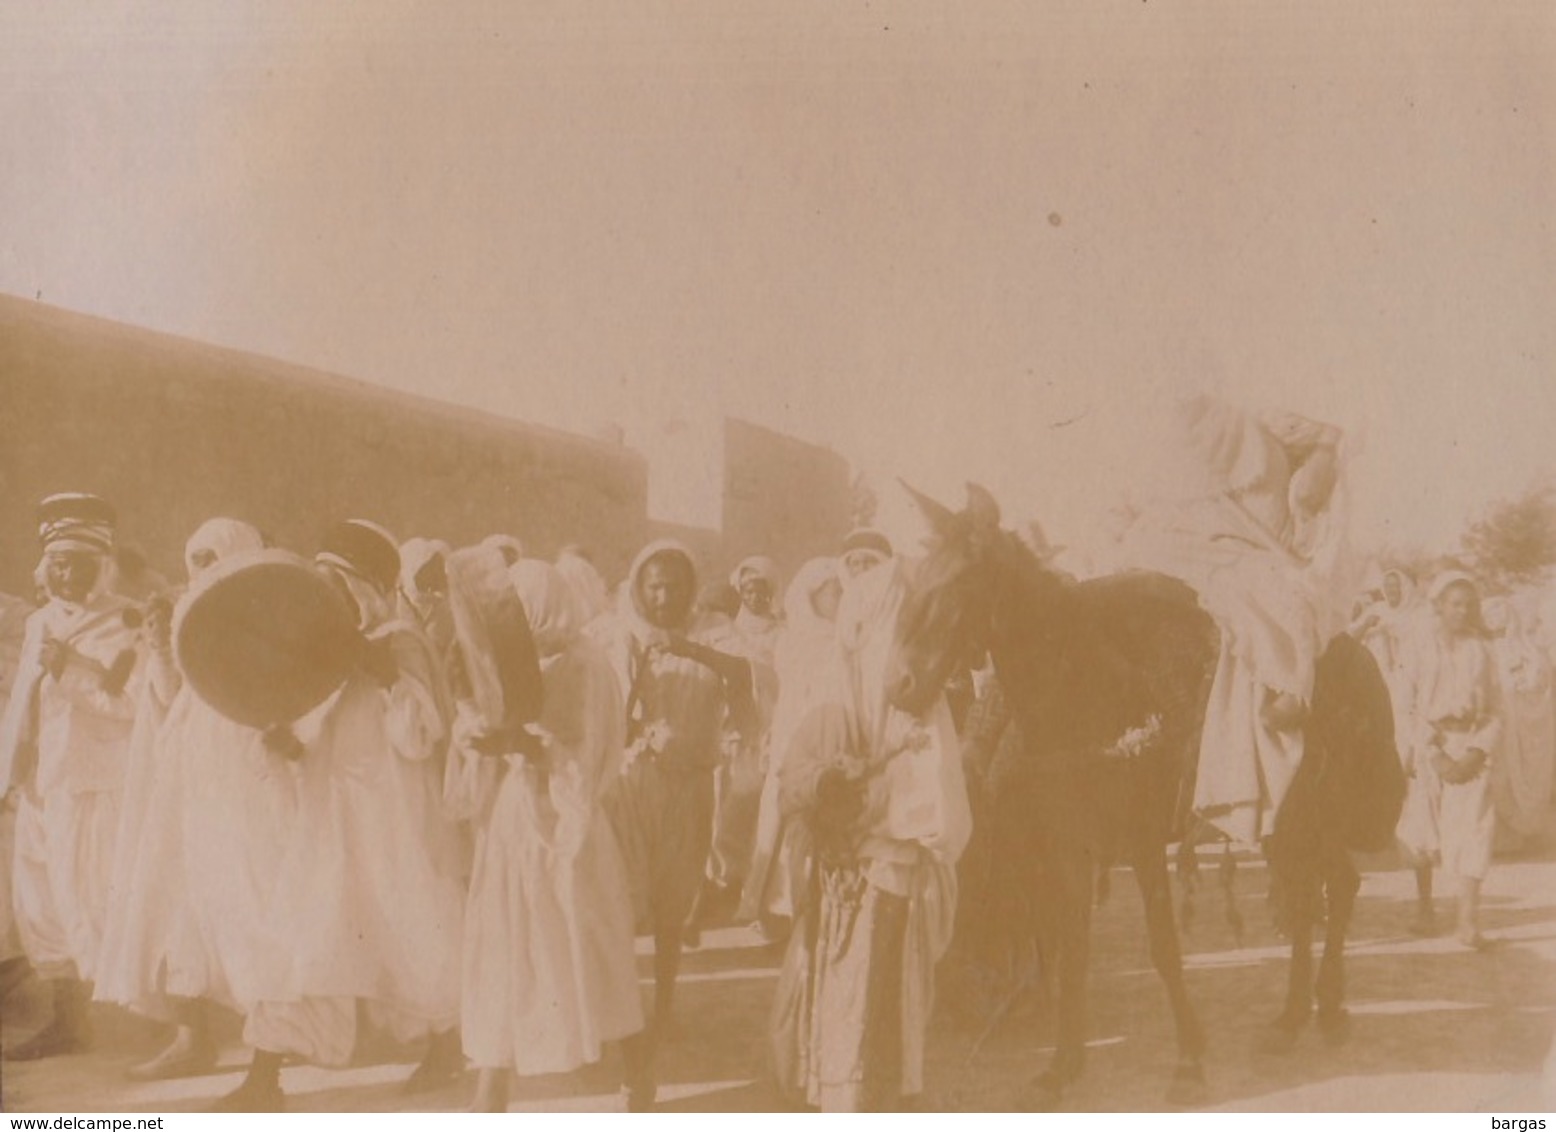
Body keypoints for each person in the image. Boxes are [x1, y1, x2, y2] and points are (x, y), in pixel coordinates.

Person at [217, 519, 464, 1111]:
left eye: (335, 585)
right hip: (331, 817)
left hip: (393, 819)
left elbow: (422, 736)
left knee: (411, 933)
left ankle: (448, 1044)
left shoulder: (400, 640)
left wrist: (382, 675)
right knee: (298, 932)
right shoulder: (324, 649)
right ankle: (264, 1076)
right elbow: (316, 739)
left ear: (361, 587)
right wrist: (288, 748)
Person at [770, 554, 971, 1112]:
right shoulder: (834, 686)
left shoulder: (915, 697)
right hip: (848, 866)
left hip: (892, 865)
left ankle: (869, 1095)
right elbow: (797, 773)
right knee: (845, 988)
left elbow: (936, 803)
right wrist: (835, 800)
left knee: (874, 992)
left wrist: (878, 825)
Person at [449, 560, 650, 1112]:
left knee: (592, 950)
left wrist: (514, 744)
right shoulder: (534, 660)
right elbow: (505, 727)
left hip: (570, 829)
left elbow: (578, 758)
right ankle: (491, 1088)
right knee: (508, 944)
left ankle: (638, 1069)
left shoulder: (583, 665)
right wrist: (476, 722)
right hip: (519, 822)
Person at [95, 518, 283, 1081]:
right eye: (195, 559)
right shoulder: (183, 615)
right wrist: (160, 651)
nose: (201, 570)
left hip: (246, 778)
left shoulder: (266, 618)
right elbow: (169, 698)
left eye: (213, 558)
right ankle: (191, 1037)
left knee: (252, 905)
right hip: (189, 776)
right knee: (178, 902)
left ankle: (270, 1046)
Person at [1119, 395, 1351, 847]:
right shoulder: (1175, 431)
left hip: (1259, 548)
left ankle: (1289, 690)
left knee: (1268, 598)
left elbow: (1318, 469)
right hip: (1192, 540)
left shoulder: (1271, 425)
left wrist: (1314, 466)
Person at [0, 494, 142, 1061]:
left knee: (90, 899)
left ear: (101, 566)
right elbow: (24, 706)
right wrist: (11, 770)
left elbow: (129, 704)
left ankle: (117, 1024)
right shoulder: (38, 623)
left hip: (91, 784)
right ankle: (67, 1022)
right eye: (56, 563)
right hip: (38, 783)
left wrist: (74, 671)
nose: (64, 574)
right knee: (41, 905)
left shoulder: (123, 622)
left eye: (76, 563)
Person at [598, 541, 753, 1048]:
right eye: (654, 586)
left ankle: (663, 1004)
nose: (664, 596)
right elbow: (608, 721)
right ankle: (620, 1010)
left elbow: (744, 682)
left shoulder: (715, 634)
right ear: (639, 586)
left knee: (673, 901)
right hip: (633, 784)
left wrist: (687, 649)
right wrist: (637, 671)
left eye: (674, 586)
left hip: (689, 788)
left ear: (690, 588)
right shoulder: (617, 636)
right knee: (620, 899)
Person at [1395, 571, 1504, 947]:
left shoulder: (1483, 649)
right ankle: (1425, 909)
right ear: (1439, 605)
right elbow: (1405, 705)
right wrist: (1431, 752)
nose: (1463, 611)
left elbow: (1495, 706)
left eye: (1469, 604)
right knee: (1422, 832)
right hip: (1430, 747)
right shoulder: (1418, 647)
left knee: (1474, 831)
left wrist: (1476, 750)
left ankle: (1467, 921)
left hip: (1470, 746)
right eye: (1455, 603)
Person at [738, 557, 843, 934]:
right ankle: (775, 907)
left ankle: (814, 904)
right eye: (830, 593)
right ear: (812, 597)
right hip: (795, 733)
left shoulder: (847, 640)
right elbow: (787, 696)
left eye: (840, 592)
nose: (837, 599)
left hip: (831, 734)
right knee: (782, 819)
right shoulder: (794, 641)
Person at [1482, 595, 1554, 851]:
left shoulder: (1526, 648)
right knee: (1496, 775)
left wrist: (1526, 685)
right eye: (1489, 616)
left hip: (1521, 723)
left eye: (1498, 614)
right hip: (1495, 724)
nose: (1494, 620)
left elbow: (1542, 679)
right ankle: (1500, 837)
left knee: (1522, 775)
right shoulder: (1483, 648)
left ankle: (1526, 833)